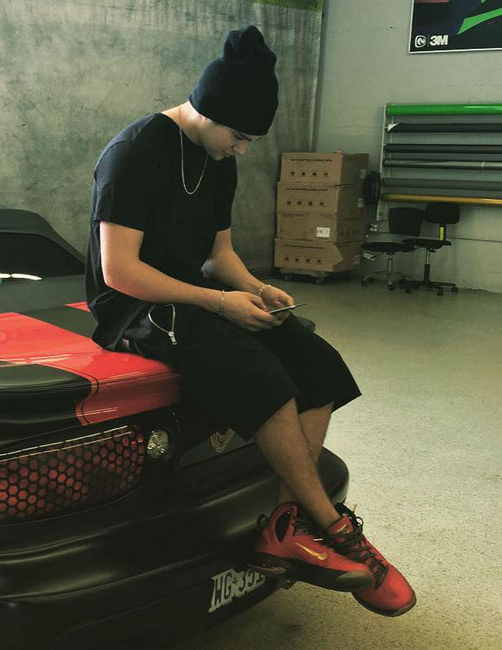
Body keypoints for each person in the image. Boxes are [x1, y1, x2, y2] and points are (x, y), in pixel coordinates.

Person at [86, 25, 415, 617]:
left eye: (250, 140)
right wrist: (219, 303)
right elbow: (118, 271)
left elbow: (219, 256)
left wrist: (258, 289)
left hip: (193, 291)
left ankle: (286, 527)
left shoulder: (219, 159)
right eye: (238, 137)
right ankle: (331, 525)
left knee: (317, 363)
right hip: (134, 305)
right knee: (262, 377)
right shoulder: (134, 152)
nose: (241, 150)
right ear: (206, 110)